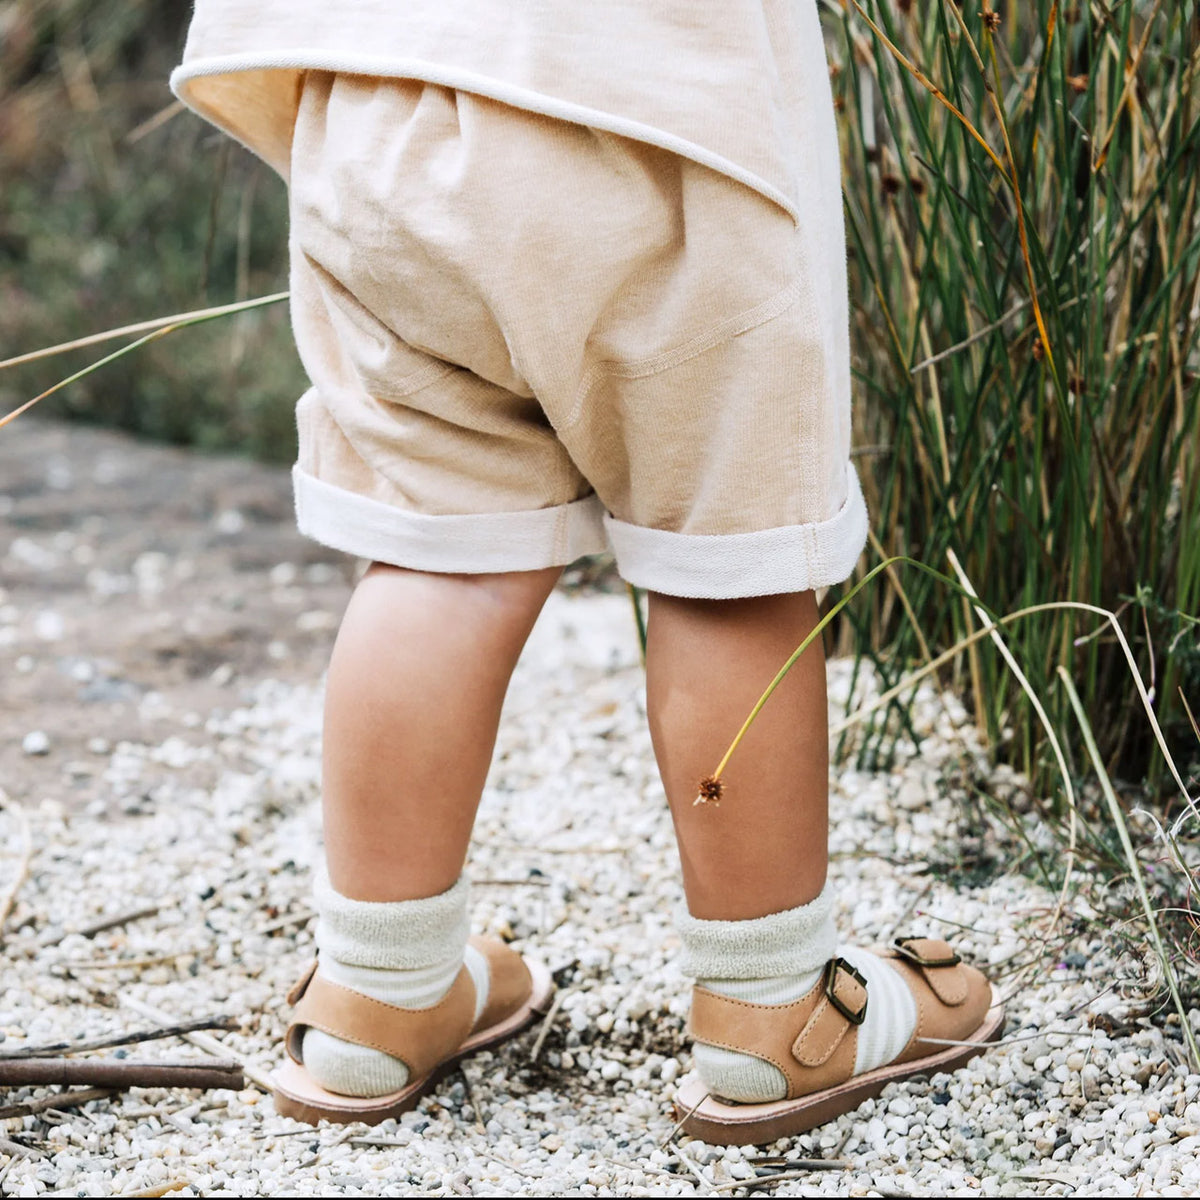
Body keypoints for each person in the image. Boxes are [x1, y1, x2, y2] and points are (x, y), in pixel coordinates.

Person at [170, 0, 1002, 1142]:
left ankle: (378, 986)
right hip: (654, 112)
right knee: (731, 563)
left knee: (435, 556)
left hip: (381, 104)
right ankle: (772, 1010)